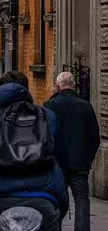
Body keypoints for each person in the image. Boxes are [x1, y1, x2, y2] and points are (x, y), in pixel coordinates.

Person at [0, 71, 68, 231]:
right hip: (46, 196)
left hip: (0, 198)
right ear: (27, 90)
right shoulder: (48, 115)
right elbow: (62, 156)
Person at [44, 71, 100, 231]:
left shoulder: (49, 106)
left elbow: (45, 137)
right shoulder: (86, 106)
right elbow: (95, 138)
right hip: (79, 163)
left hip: (56, 164)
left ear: (57, 86)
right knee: (82, 199)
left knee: (55, 199)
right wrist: (87, 159)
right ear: (73, 86)